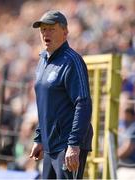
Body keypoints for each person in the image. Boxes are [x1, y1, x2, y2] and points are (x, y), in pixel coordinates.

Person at [29, 10, 93, 179]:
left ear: (65, 32)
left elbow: (84, 103)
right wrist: (39, 138)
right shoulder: (43, 60)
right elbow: (45, 105)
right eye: (43, 29)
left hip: (67, 145)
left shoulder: (72, 61)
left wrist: (74, 144)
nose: (45, 34)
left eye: (51, 29)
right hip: (50, 145)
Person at [117, 107, 135, 179]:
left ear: (129, 115)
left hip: (130, 169)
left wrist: (114, 156)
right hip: (123, 167)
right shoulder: (123, 126)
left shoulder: (134, 127)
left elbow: (129, 147)